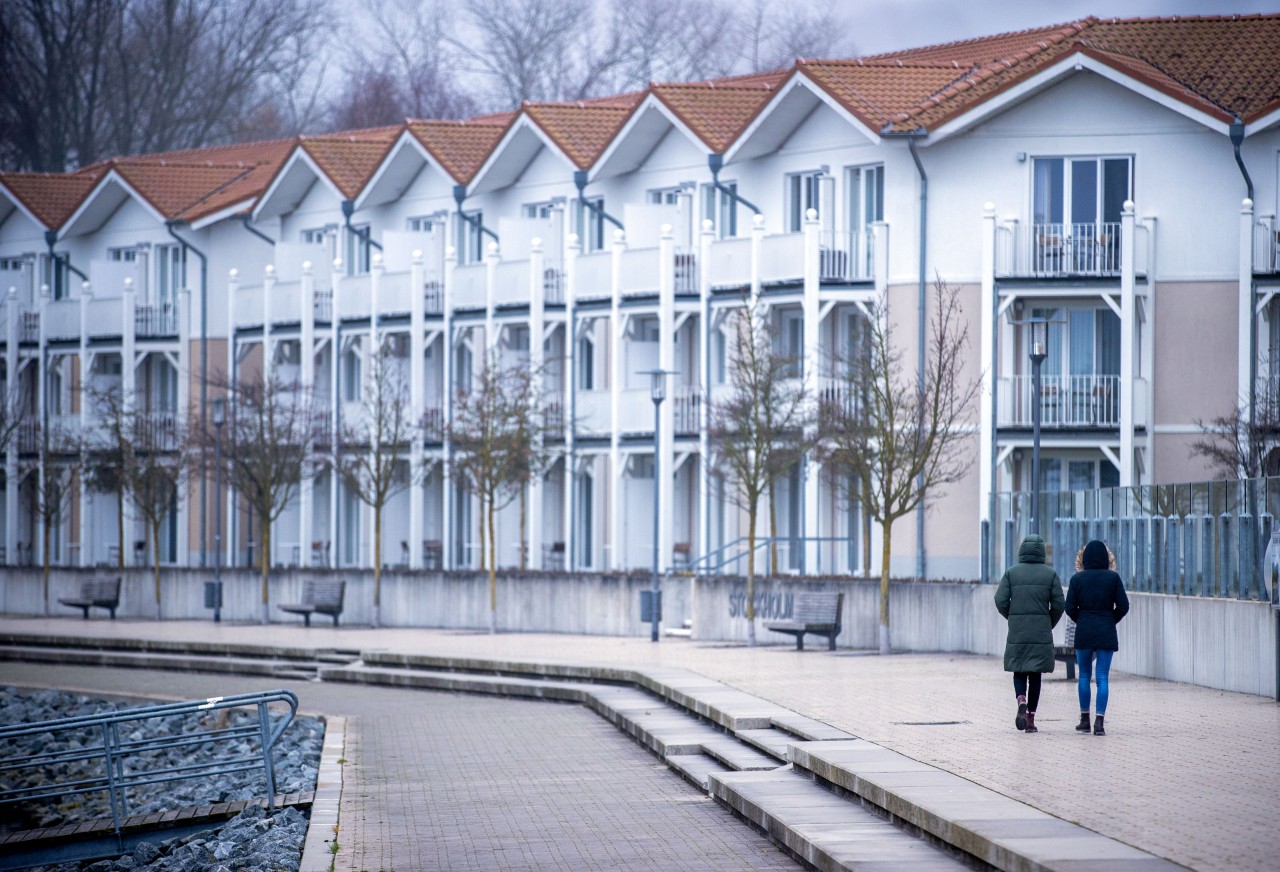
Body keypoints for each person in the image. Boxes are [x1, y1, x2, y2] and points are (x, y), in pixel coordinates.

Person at [995, 534, 1065, 733]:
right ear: (1041, 551)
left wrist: (1012, 616)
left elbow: (1000, 599)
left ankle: (1021, 700)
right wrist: (1048, 622)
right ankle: (1031, 719)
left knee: (1019, 668)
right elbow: (1060, 603)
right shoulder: (1050, 574)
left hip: (1018, 630)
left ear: (1022, 550)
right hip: (1041, 631)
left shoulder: (1011, 573)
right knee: (1035, 674)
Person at [1065, 539, 1129, 736]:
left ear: (1084, 559)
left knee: (1084, 675)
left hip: (1084, 632)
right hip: (1105, 632)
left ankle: (1084, 720)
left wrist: (1082, 619)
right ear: (1105, 558)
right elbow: (1124, 606)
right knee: (1102, 677)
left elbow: (1069, 608)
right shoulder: (1113, 578)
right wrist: (1110, 620)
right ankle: (1099, 723)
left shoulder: (1077, 580)